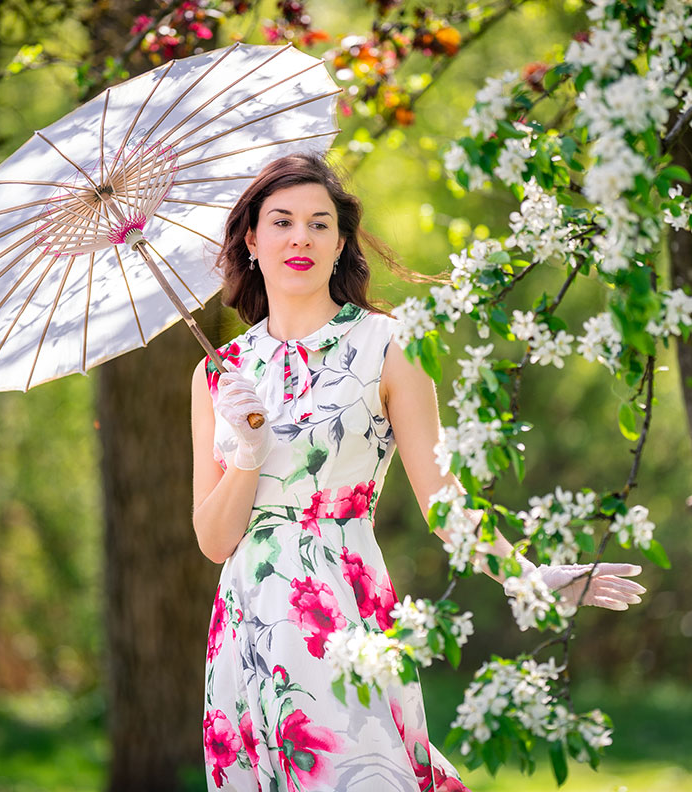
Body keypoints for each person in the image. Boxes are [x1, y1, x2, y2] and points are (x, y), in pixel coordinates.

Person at [190, 153, 644, 791]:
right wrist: (246, 452)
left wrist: (526, 576)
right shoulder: (220, 373)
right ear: (251, 240)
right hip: (246, 623)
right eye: (282, 221)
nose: (301, 237)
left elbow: (442, 501)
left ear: (342, 241)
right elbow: (213, 541)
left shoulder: (388, 344)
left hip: (343, 611)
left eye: (320, 224)